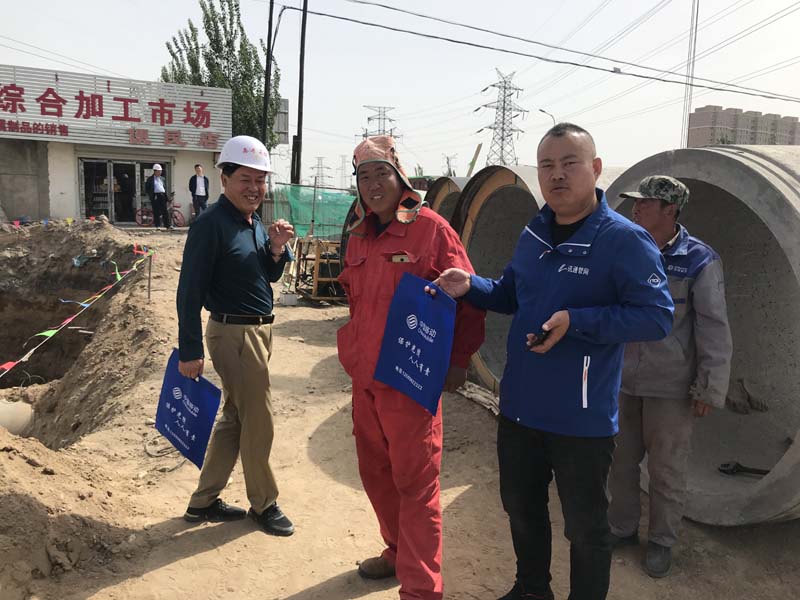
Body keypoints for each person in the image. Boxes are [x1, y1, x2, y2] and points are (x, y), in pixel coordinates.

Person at [430, 123, 674, 600]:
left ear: (595, 169)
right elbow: (510, 294)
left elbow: (656, 316)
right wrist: (471, 285)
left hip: (580, 418)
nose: (556, 174)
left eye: (569, 163)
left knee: (585, 528)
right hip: (520, 408)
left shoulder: (624, 240)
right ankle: (531, 589)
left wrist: (577, 320)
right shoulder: (534, 233)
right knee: (521, 508)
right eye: (547, 165)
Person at [337, 136, 485, 600]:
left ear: (399, 176)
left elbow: (469, 297)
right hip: (366, 380)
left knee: (415, 483)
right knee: (376, 474)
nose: (373, 184)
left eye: (381, 173)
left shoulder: (431, 230)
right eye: (364, 176)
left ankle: (421, 588)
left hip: (409, 381)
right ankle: (397, 549)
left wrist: (458, 360)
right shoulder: (359, 234)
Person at [607, 176, 732, 578]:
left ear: (670, 210)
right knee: (620, 462)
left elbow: (713, 326)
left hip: (670, 386)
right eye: (635, 202)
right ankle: (622, 528)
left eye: (645, 203)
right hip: (623, 380)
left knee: (666, 469)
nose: (635, 209)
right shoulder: (625, 249)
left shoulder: (699, 259)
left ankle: (661, 541)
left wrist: (709, 387)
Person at [176, 135, 296, 536]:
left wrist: (275, 249)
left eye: (260, 180)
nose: (254, 188)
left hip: (255, 333)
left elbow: (267, 275)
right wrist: (190, 350)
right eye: (246, 179)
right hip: (234, 335)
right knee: (259, 420)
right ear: (224, 178)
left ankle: (203, 500)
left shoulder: (253, 223)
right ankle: (264, 503)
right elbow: (189, 291)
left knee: (236, 418)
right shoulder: (211, 225)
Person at [145, 164, 172, 229]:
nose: (160, 172)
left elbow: (164, 188)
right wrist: (151, 195)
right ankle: (157, 225)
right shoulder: (150, 179)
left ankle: (167, 225)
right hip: (155, 195)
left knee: (165, 211)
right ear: (155, 171)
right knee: (156, 211)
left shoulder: (162, 178)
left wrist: (167, 198)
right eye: (159, 171)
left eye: (161, 171)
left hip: (162, 195)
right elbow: (147, 188)